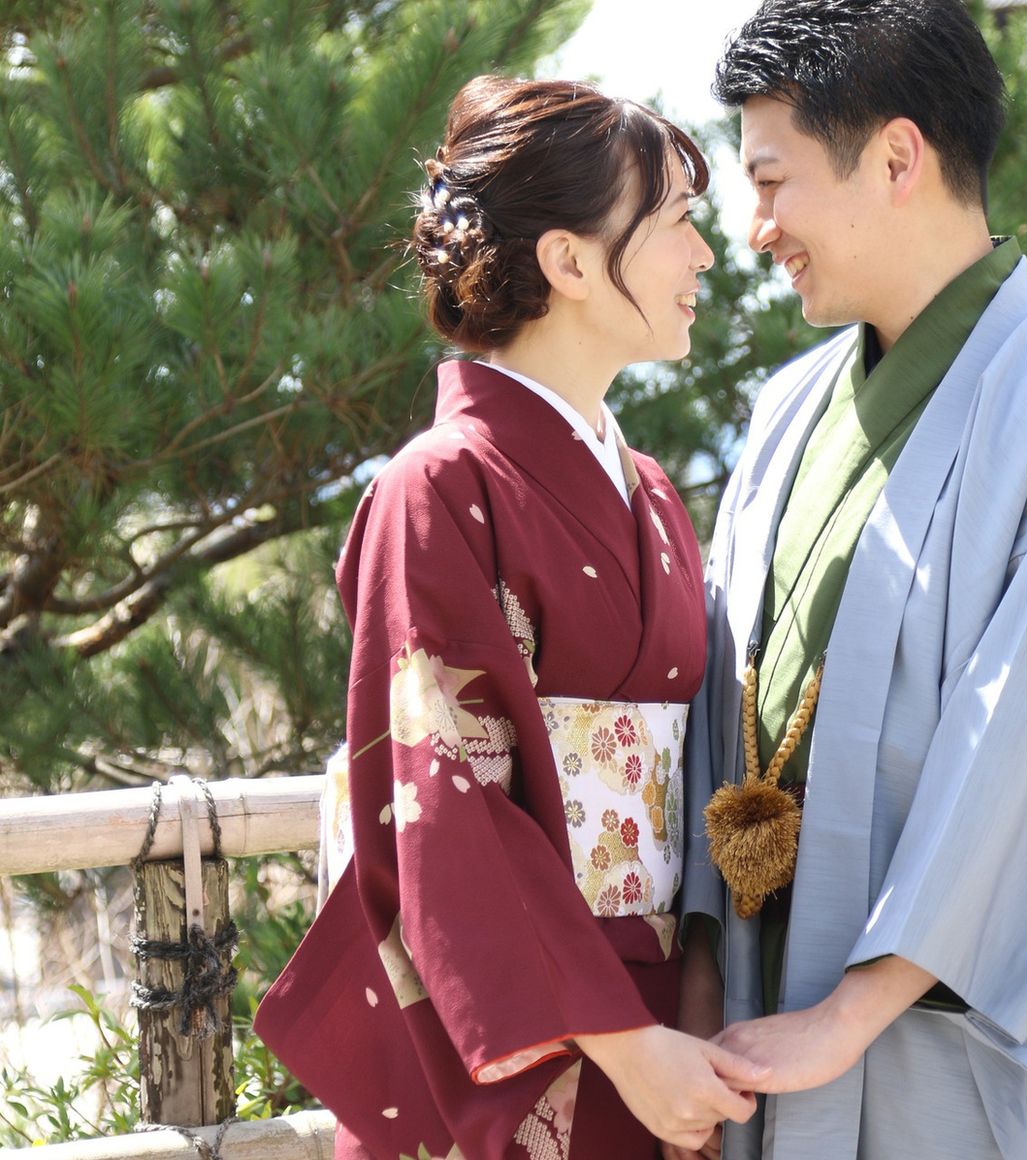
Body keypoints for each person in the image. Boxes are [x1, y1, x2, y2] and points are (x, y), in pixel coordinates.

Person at [254, 75, 771, 1160]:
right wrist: (627, 1043)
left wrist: (691, 996)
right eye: (675, 222)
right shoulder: (437, 487)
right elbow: (443, 796)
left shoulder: (653, 495)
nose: (704, 255)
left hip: (665, 1021)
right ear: (570, 261)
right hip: (533, 1027)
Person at [677, 1, 1027, 1158]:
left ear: (895, 157)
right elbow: (714, 711)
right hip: (752, 1030)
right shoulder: (786, 410)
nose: (754, 229)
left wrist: (850, 1012)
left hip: (945, 1066)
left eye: (771, 181)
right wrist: (696, 989)